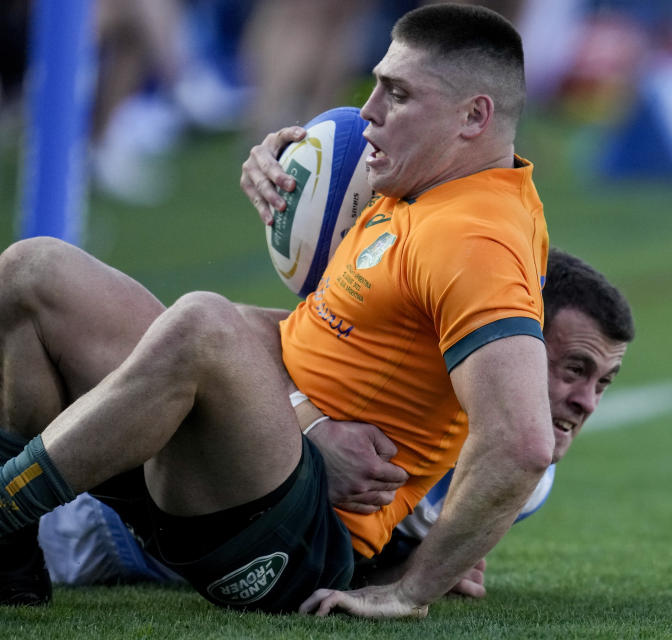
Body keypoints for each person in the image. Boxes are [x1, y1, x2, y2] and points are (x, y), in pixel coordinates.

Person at [0, 4, 551, 619]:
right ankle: (11, 564)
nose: (368, 110)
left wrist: (410, 590)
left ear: (473, 116)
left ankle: (4, 503)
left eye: (397, 94)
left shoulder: (479, 239)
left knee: (204, 322)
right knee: (34, 269)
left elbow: (522, 441)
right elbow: (301, 334)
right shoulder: (417, 187)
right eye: (375, 84)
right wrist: (295, 175)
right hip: (250, 470)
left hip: (299, 539)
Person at [35, 248, 634, 598]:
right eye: (573, 370)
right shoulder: (416, 359)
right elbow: (235, 332)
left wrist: (414, 573)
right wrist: (308, 422)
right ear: (513, 344)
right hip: (100, 496)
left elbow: (363, 551)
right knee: (38, 270)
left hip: (160, 543)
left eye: (601, 383)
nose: (585, 402)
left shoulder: (522, 481)